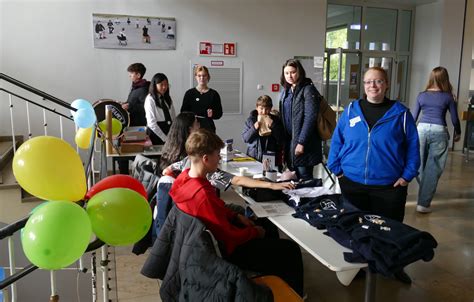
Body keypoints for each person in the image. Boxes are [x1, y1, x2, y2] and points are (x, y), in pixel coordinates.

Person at [169, 129, 304, 296]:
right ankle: (293, 294)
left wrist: (236, 216)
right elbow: (229, 237)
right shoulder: (202, 195)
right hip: (228, 252)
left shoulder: (183, 179)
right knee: (290, 249)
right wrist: (254, 232)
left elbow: (218, 209)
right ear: (206, 159)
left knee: (265, 225)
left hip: (204, 244)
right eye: (217, 155)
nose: (219, 159)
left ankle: (271, 276)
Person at [327, 67, 420, 284]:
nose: (373, 86)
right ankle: (359, 264)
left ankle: (395, 265)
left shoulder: (401, 114)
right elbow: (337, 140)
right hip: (352, 182)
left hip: (389, 186)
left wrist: (407, 176)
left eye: (378, 81)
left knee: (390, 229)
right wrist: (336, 168)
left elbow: (413, 148)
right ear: (363, 85)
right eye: (369, 82)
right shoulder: (350, 111)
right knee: (357, 227)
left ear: (386, 84)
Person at [412, 66, 461, 213]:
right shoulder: (448, 97)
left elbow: (413, 117)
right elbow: (454, 118)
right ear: (445, 79)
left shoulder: (421, 95)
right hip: (439, 131)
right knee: (433, 168)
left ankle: (425, 190)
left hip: (421, 129)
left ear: (431, 78)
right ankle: (423, 203)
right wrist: (458, 133)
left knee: (419, 164)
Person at [279, 59, 322, 180]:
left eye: (292, 72)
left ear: (299, 72)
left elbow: (310, 117)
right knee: (293, 179)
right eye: (286, 73)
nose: (289, 76)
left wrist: (301, 142)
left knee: (305, 179)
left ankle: (311, 200)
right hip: (290, 143)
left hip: (304, 145)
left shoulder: (308, 89)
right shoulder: (286, 91)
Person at [118, 63, 149, 174]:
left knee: (130, 155)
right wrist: (125, 104)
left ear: (138, 75)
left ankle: (126, 178)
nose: (129, 76)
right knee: (124, 155)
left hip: (138, 127)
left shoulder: (143, 89)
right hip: (132, 126)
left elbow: (145, 108)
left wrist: (129, 106)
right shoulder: (136, 87)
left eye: (131, 74)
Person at [242, 95, 284, 164]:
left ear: (270, 109)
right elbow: (245, 139)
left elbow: (281, 140)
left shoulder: (276, 120)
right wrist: (254, 128)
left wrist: (273, 126)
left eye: (267, 109)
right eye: (261, 108)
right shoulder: (251, 120)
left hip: (271, 156)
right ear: (257, 108)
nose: (264, 112)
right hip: (253, 156)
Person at [181, 65, 223, 132]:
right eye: (199, 76)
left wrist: (213, 114)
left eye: (204, 75)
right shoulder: (189, 93)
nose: (202, 78)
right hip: (193, 128)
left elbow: (219, 113)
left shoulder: (214, 94)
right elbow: (183, 112)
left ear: (208, 77)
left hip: (208, 128)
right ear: (196, 77)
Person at [144, 73, 176, 145]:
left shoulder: (167, 98)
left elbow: (173, 117)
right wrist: (164, 138)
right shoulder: (150, 99)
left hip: (168, 131)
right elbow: (151, 123)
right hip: (156, 133)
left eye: (166, 84)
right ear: (155, 85)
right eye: (161, 85)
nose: (164, 87)